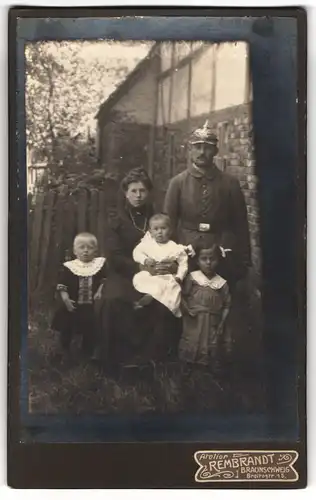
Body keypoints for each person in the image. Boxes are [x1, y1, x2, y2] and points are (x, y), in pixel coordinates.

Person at [101, 168, 180, 372]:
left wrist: (165, 264)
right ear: (126, 192)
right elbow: (114, 256)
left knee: (163, 298)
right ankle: (116, 359)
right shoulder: (115, 218)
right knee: (114, 299)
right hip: (124, 272)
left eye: (142, 191)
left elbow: (170, 244)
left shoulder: (156, 218)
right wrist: (140, 266)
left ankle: (150, 357)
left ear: (149, 193)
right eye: (134, 191)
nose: (138, 195)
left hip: (155, 273)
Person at [163, 120, 251, 288]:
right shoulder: (177, 183)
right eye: (197, 147)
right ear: (190, 151)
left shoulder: (230, 183)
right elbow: (169, 223)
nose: (202, 152)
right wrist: (172, 256)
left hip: (221, 250)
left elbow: (240, 224)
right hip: (187, 248)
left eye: (207, 147)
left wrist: (243, 259)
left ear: (215, 151)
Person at [51, 232, 107, 360]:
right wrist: (65, 299)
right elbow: (62, 285)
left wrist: (99, 291)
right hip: (73, 304)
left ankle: (87, 351)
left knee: (90, 328)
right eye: (81, 247)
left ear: (96, 251)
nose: (86, 251)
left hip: (91, 305)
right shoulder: (70, 267)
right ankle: (64, 349)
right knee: (67, 326)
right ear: (75, 251)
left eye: (90, 248)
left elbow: (104, 280)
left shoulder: (99, 266)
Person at [179, 243, 231, 374]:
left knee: (210, 342)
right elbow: (182, 296)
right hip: (194, 319)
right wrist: (187, 309)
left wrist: (221, 324)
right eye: (204, 259)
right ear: (197, 260)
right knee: (192, 339)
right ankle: (188, 369)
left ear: (218, 261)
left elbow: (226, 305)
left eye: (212, 259)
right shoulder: (193, 278)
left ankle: (207, 372)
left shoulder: (221, 283)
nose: (208, 262)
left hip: (212, 321)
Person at [132, 213, 194, 317]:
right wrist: (145, 260)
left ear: (170, 231)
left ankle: (153, 299)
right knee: (143, 279)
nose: (159, 232)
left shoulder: (174, 247)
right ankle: (148, 297)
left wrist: (179, 277)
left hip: (166, 276)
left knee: (170, 287)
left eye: (163, 228)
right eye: (156, 229)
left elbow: (183, 263)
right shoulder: (147, 244)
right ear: (150, 232)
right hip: (151, 275)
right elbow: (136, 253)